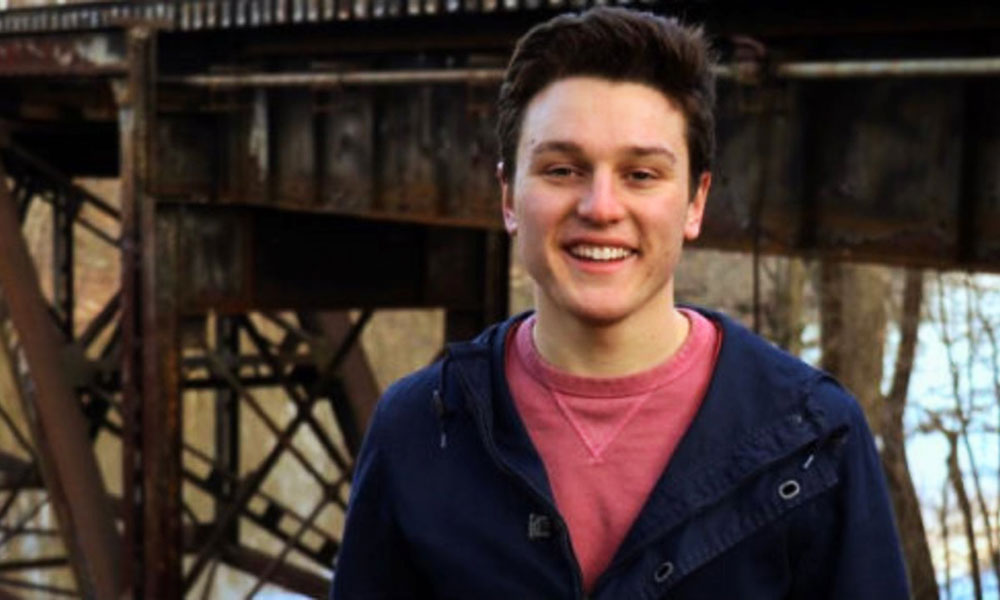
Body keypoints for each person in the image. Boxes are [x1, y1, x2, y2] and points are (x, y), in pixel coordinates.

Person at [331, 6, 909, 599]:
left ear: (695, 202)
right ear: (508, 197)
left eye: (641, 175)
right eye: (562, 170)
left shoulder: (814, 441)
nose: (601, 207)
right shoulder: (417, 430)